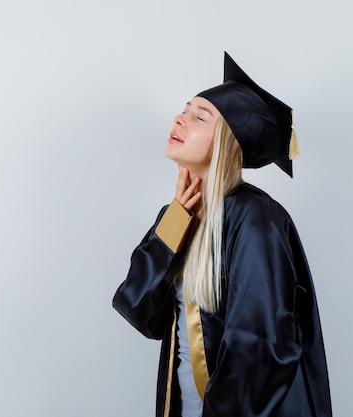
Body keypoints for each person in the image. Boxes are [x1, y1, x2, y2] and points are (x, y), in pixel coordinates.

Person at [112, 52, 332, 417]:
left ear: (227, 143)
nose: (179, 118)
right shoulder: (178, 216)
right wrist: (174, 223)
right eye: (184, 109)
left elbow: (259, 345)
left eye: (199, 116)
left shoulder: (255, 217)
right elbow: (138, 310)